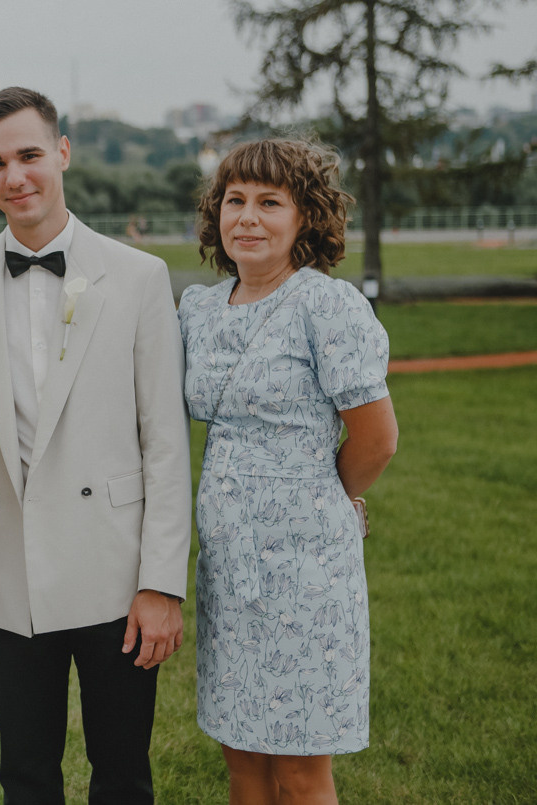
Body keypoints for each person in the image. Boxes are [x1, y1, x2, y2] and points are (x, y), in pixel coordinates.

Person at [0, 86, 193, 804]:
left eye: (29, 155)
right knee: (26, 776)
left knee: (123, 775)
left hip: (115, 571)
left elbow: (164, 442)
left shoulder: (139, 277)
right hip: (5, 575)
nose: (14, 177)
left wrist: (162, 582)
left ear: (63, 153)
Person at [178, 137, 398, 804]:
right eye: (235, 200)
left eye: (269, 202)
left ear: (305, 217)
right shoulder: (199, 309)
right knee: (242, 755)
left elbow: (377, 439)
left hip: (306, 568)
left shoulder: (324, 307)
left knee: (300, 768)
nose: (247, 216)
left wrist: (327, 496)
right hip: (228, 565)